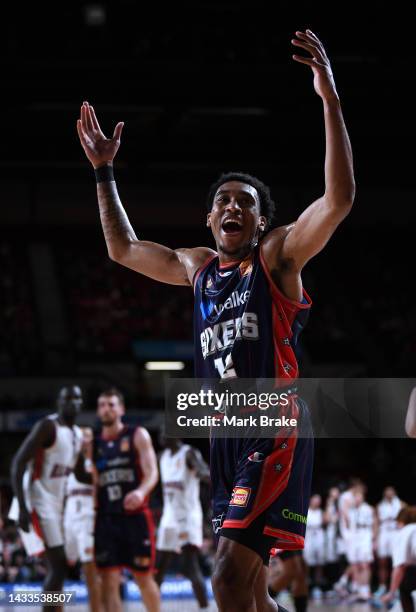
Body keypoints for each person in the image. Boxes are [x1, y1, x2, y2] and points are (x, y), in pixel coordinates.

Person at [77, 27, 355, 612]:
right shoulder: (197, 267)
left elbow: (338, 200)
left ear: (259, 224)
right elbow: (123, 250)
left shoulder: (275, 259)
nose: (233, 205)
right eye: (224, 199)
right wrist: (104, 173)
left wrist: (330, 102)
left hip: (274, 425)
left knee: (228, 578)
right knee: (251, 590)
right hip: (226, 433)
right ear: (209, 219)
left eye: (246, 202)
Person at [75, 387, 160, 612]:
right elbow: (92, 480)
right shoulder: (94, 444)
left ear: (121, 409)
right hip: (105, 518)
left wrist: (141, 492)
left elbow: (152, 473)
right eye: (102, 405)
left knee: (143, 578)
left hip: (135, 517)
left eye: (111, 404)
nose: (106, 409)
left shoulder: (137, 434)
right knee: (109, 581)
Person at [10, 385, 84, 612]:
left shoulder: (78, 434)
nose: (71, 402)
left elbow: (81, 474)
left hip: (57, 505)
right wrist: (22, 507)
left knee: (61, 566)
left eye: (76, 398)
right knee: (58, 564)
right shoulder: (47, 427)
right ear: (58, 403)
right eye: (66, 398)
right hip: (36, 502)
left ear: (82, 403)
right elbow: (18, 463)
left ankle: (53, 609)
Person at [156, 436, 210, 608]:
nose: (162, 434)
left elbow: (205, 472)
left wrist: (202, 472)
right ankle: (152, 606)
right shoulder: (162, 457)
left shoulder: (189, 454)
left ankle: (204, 607)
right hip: (168, 516)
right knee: (159, 567)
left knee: (190, 567)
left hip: (187, 518)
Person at [64, 428, 103, 612]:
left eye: (88, 437)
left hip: (87, 520)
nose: (84, 440)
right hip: (68, 519)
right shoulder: (67, 463)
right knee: (58, 571)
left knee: (90, 571)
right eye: (82, 437)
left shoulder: (96, 463)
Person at [381, 506, 416, 612]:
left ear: (401, 520)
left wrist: (391, 593)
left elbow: (400, 567)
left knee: (406, 582)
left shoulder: (404, 532)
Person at [344, 489, 376, 602]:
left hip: (365, 535)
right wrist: (346, 508)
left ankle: (365, 589)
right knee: (355, 564)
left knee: (365, 564)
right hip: (354, 536)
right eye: (355, 497)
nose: (357, 499)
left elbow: (375, 523)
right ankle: (358, 590)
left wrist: (374, 539)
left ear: (363, 497)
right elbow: (347, 524)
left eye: (359, 496)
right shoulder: (351, 510)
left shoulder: (369, 509)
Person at [374, 486, 404, 598]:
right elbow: (376, 522)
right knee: (382, 562)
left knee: (396, 562)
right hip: (383, 534)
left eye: (391, 491)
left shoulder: (401, 504)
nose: (389, 493)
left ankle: (395, 587)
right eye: (387, 491)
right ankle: (382, 587)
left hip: (396, 534)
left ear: (394, 493)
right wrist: (375, 539)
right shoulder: (380, 506)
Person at [303, 494, 325, 597]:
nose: (317, 502)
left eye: (319, 500)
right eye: (315, 499)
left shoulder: (321, 512)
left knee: (319, 564)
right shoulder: (305, 510)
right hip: (308, 538)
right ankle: (305, 584)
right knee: (306, 562)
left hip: (319, 538)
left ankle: (317, 587)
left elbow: (327, 521)